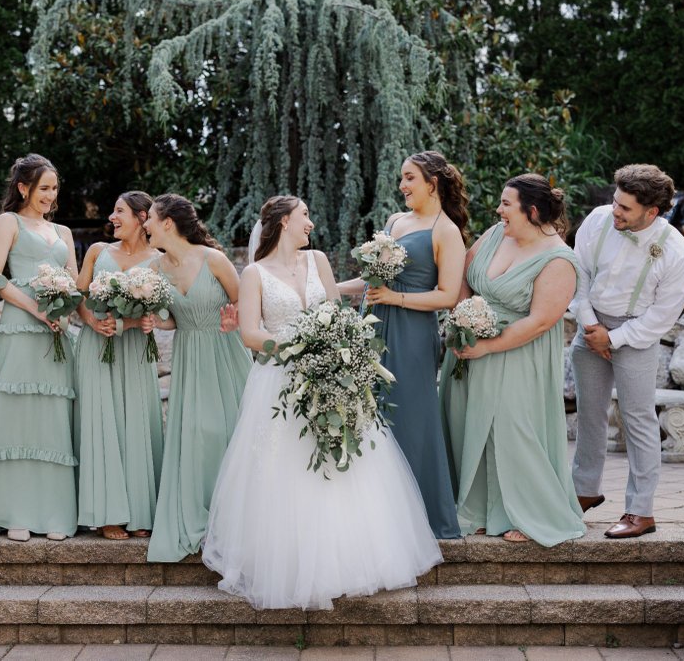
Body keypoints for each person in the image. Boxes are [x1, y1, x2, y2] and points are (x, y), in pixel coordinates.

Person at [202, 196, 442, 610]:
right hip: (279, 382)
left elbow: (337, 313)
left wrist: (334, 349)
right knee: (286, 468)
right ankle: (288, 564)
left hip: (330, 373)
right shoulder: (254, 273)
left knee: (340, 460)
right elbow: (250, 333)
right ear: (283, 222)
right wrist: (297, 347)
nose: (311, 222)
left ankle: (347, 558)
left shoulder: (318, 261)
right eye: (305, 215)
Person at [440, 174, 586, 546]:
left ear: (532, 211)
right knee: (465, 421)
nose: (498, 210)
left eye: (506, 204)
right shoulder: (495, 235)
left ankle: (530, 512)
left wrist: (489, 346)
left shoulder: (559, 260)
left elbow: (540, 321)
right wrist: (462, 320)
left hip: (518, 353)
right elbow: (465, 277)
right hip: (469, 347)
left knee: (512, 429)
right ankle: (476, 509)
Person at [337, 151, 466, 539]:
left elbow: (447, 296)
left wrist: (396, 298)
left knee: (408, 417)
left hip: (412, 334)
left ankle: (419, 514)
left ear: (432, 183)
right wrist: (325, 288)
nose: (402, 185)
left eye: (410, 178)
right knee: (367, 413)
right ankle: (371, 511)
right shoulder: (395, 221)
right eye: (402, 178)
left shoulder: (447, 232)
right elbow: (371, 279)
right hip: (374, 327)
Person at [0, 154, 79, 542]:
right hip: (21, 325)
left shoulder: (63, 231)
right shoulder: (9, 222)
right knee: (17, 414)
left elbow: (75, 282)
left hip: (56, 330)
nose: (50, 195)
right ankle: (15, 511)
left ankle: (53, 511)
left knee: (52, 417)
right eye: (44, 188)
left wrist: (64, 311)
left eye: (54, 188)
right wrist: (36, 309)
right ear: (24, 188)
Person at [570, 164, 684, 538]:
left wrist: (614, 339)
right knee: (589, 414)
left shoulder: (678, 253)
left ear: (652, 212)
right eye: (615, 201)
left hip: (637, 334)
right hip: (590, 324)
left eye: (625, 208)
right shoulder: (598, 220)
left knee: (638, 419)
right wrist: (591, 326)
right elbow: (579, 274)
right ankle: (583, 491)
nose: (615, 211)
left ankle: (641, 512)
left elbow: (661, 317)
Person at [141, 193, 252, 562]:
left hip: (224, 352)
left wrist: (235, 317)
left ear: (167, 223)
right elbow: (174, 318)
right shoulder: (155, 270)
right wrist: (155, 321)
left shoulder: (213, 259)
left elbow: (245, 302)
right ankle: (201, 510)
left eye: (150, 218)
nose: (145, 225)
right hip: (189, 354)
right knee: (196, 434)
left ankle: (236, 514)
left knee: (227, 430)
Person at [74, 191, 164, 540]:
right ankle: (106, 513)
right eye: (113, 211)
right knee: (101, 422)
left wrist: (145, 320)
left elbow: (164, 307)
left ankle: (139, 510)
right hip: (98, 343)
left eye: (119, 211)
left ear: (142, 217)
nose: (112, 217)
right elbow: (79, 296)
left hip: (136, 347)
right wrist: (92, 321)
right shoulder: (98, 252)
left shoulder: (159, 259)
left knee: (137, 421)